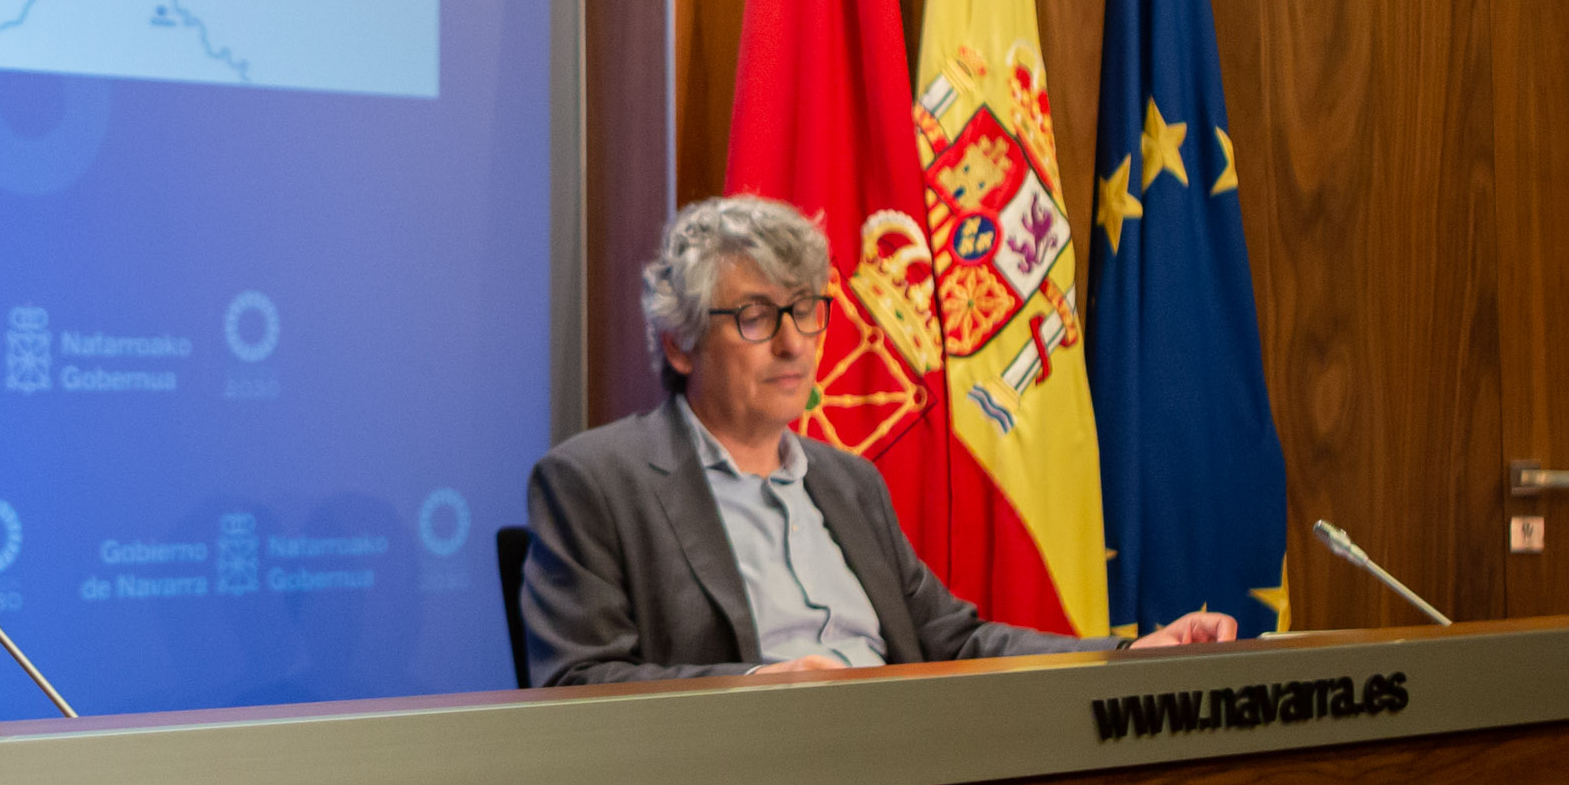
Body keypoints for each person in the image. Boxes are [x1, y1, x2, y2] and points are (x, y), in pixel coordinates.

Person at [522, 194, 1236, 685]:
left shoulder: (847, 482)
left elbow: (952, 642)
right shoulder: (595, 481)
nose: (793, 343)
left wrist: (1123, 653)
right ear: (679, 344)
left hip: (894, 771)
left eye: (806, 311)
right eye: (755, 317)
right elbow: (579, 679)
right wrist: (757, 686)